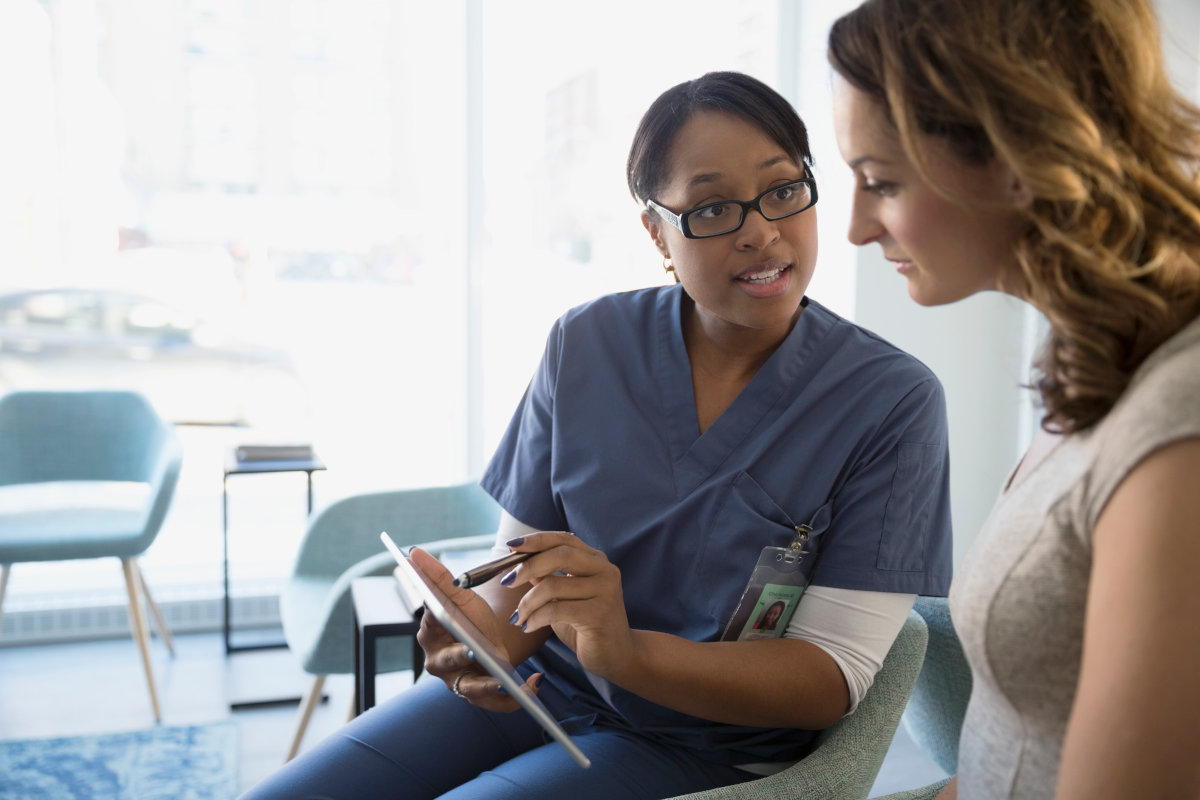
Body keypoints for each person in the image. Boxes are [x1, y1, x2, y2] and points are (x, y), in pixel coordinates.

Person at [242, 71, 953, 800]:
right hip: (545, 688)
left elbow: (829, 679)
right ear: (658, 234)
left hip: (701, 744)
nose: (761, 230)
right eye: (711, 208)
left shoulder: (889, 403)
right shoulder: (587, 344)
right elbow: (526, 575)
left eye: (782, 190)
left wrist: (627, 655)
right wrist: (479, 640)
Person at [827, 1, 1200, 798]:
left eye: (881, 182)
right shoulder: (1091, 352)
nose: (856, 228)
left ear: (1016, 154)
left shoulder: (1180, 424)